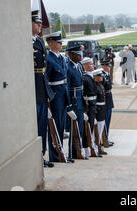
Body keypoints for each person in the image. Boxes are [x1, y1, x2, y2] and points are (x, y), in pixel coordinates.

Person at [45, 31, 77, 163]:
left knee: (61, 125)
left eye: (60, 42)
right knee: (55, 126)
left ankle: (60, 153)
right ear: (50, 43)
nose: (60, 44)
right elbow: (46, 80)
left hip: (63, 94)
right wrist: (48, 98)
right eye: (58, 42)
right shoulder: (49, 59)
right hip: (55, 95)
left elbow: (65, 80)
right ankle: (55, 155)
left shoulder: (60, 58)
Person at [32, 10, 55, 168]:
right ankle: (36, 156)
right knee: (35, 126)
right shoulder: (27, 41)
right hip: (33, 86)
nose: (40, 26)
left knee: (43, 125)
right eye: (37, 23)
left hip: (42, 86)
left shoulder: (39, 42)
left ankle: (41, 154)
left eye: (40, 23)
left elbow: (44, 67)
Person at [66, 46, 88, 160]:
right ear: (71, 55)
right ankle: (72, 152)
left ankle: (78, 149)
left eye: (81, 54)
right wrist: (69, 106)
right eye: (78, 54)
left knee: (80, 126)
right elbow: (67, 87)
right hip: (73, 100)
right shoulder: (68, 68)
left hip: (79, 99)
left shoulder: (79, 66)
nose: (80, 56)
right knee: (73, 127)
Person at [81, 57, 103, 158]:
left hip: (93, 104)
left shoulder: (91, 76)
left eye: (92, 63)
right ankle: (86, 148)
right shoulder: (85, 78)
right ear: (84, 66)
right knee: (87, 129)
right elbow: (83, 95)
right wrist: (84, 110)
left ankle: (91, 146)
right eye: (89, 64)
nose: (92, 65)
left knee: (91, 128)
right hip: (88, 105)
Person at [93, 68, 108, 155]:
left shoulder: (100, 85)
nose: (101, 78)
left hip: (102, 109)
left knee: (101, 128)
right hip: (98, 110)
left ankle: (98, 146)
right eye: (99, 76)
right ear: (95, 76)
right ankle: (95, 147)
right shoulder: (95, 86)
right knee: (97, 130)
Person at [100, 58, 115, 147]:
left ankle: (106, 138)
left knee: (108, 121)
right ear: (103, 66)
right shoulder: (101, 75)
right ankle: (103, 139)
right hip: (104, 101)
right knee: (104, 121)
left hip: (109, 100)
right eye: (108, 65)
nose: (109, 67)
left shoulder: (107, 75)